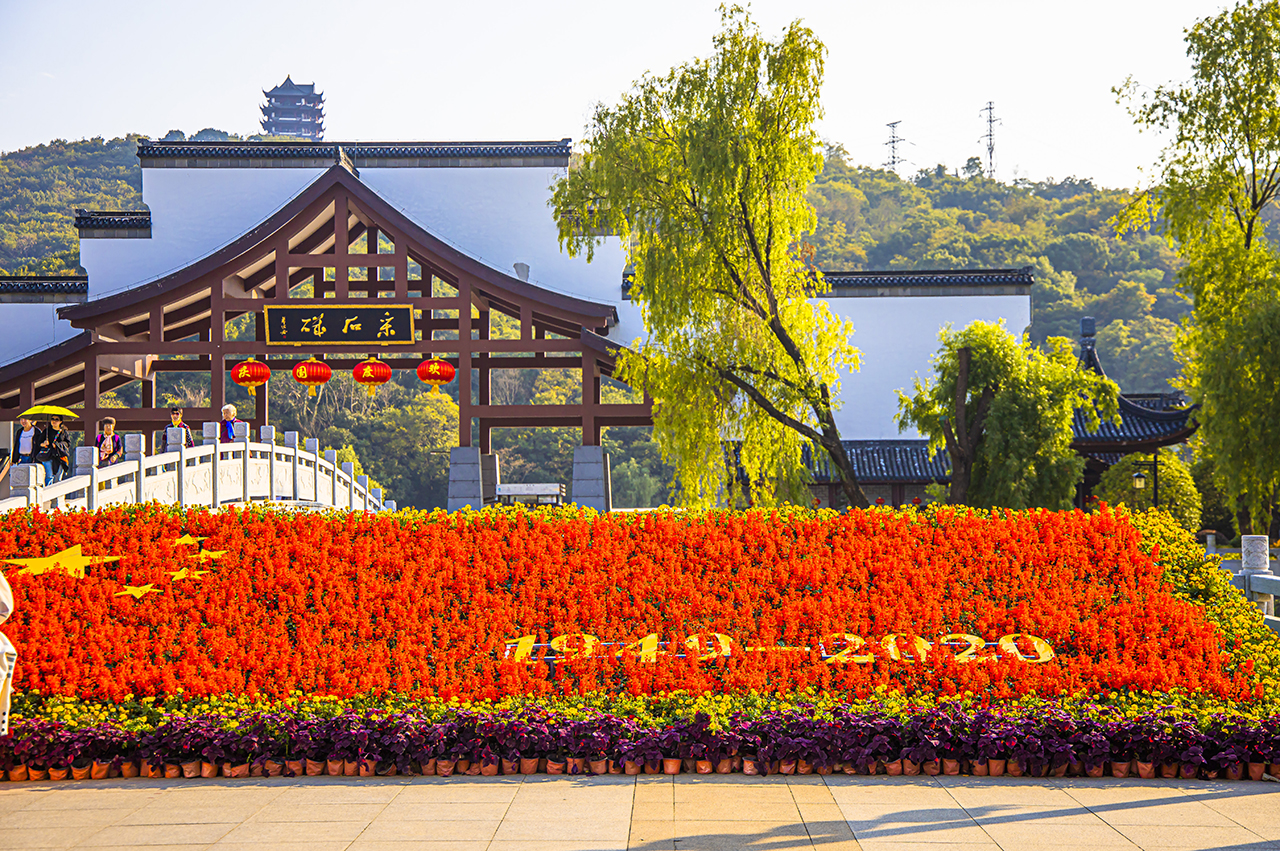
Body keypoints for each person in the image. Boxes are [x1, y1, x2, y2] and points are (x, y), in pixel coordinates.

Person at [38, 416, 72, 485]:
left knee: (58, 479)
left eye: (57, 419)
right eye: (52, 419)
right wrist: (44, 444)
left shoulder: (63, 432)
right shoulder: (47, 431)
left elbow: (68, 444)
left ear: (60, 422)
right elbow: (39, 443)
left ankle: (57, 495)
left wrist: (58, 445)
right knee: (49, 476)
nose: (54, 421)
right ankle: (48, 494)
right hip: (48, 456)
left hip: (59, 457)